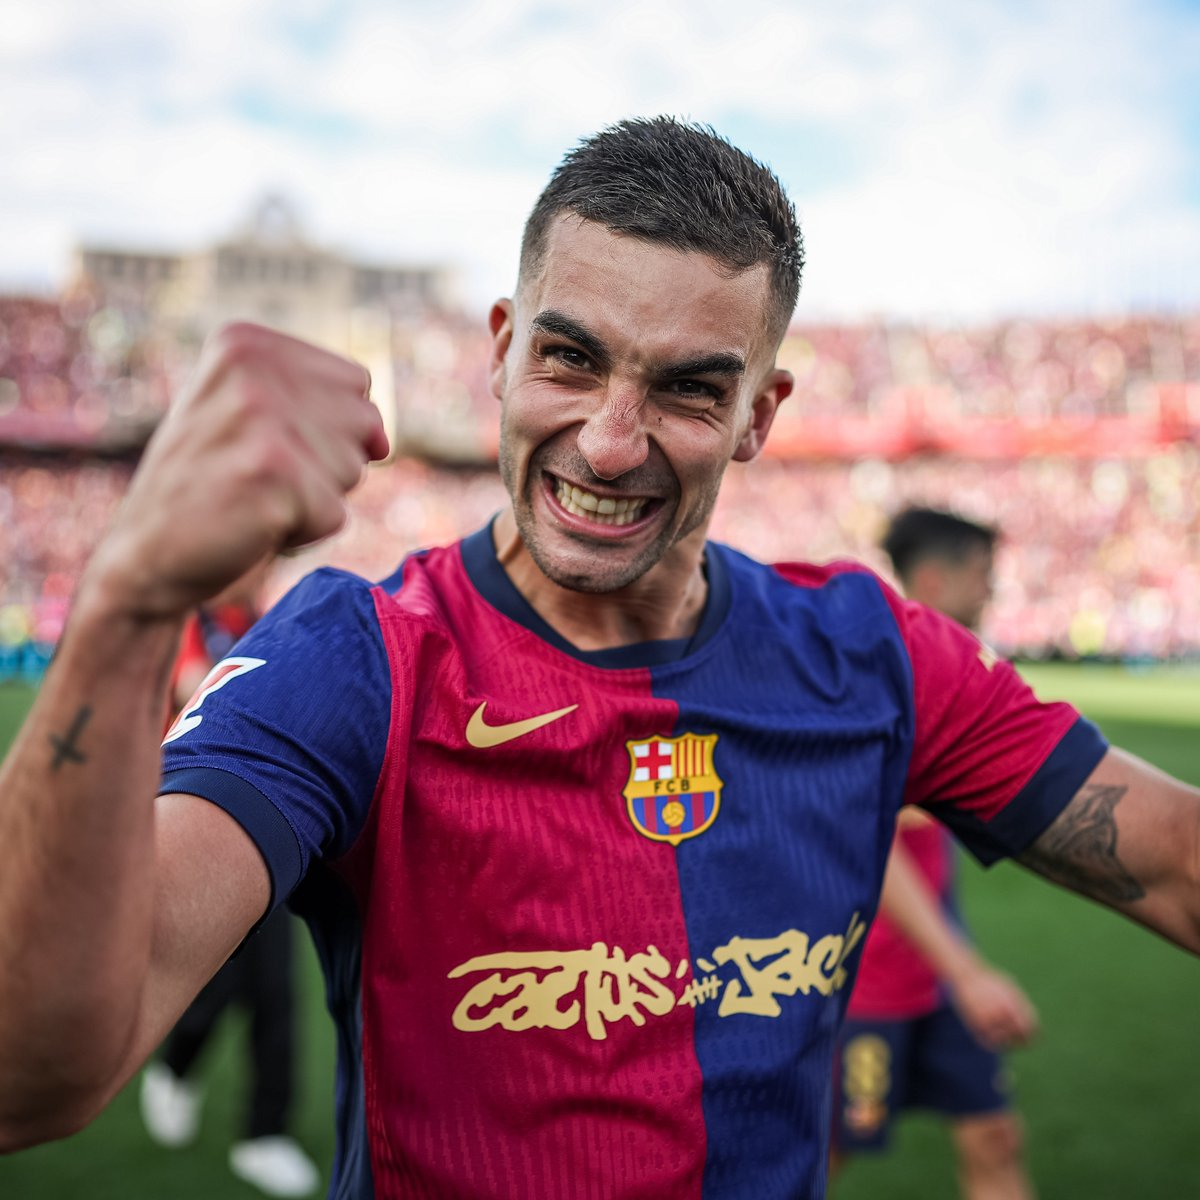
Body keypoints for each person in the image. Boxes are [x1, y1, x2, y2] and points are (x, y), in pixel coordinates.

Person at [1, 117, 1199, 1200]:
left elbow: (1176, 864)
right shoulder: (357, 661)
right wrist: (125, 605)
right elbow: (26, 1077)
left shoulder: (873, 655)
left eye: (686, 388)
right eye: (570, 359)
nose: (612, 443)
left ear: (761, 416)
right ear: (505, 350)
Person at [832, 508, 1038, 1199]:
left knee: (994, 1137)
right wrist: (970, 970)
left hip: (939, 980)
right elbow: (877, 849)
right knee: (811, 1161)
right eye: (983, 576)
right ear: (931, 578)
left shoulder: (951, 682)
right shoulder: (875, 684)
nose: (991, 593)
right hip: (862, 986)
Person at [140, 559, 319, 1198]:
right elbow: (195, 688)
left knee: (274, 986)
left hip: (262, 818)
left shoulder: (261, 621)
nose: (262, 565)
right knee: (216, 979)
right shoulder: (189, 620)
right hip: (183, 823)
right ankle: (179, 1061)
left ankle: (263, 1131)